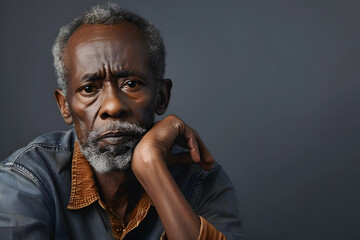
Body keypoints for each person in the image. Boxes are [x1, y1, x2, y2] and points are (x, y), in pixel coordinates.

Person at [0, 3, 244, 240]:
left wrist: (151, 166)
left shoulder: (201, 180)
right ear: (65, 106)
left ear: (161, 96)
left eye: (131, 84)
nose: (113, 106)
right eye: (88, 88)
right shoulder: (27, 180)